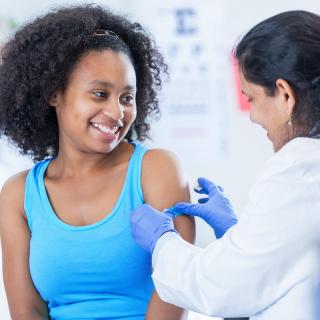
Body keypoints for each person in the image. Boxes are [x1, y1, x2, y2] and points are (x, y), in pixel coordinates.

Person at [0, 5, 195, 320]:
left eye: (126, 98)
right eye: (100, 94)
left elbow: (175, 294)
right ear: (54, 94)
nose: (117, 113)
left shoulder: (156, 170)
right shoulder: (18, 195)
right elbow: (27, 313)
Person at [130, 10, 320, 320]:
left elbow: (220, 288)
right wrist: (238, 238)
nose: (253, 116)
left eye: (252, 98)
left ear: (285, 95)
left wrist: (162, 244)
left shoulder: (299, 167)